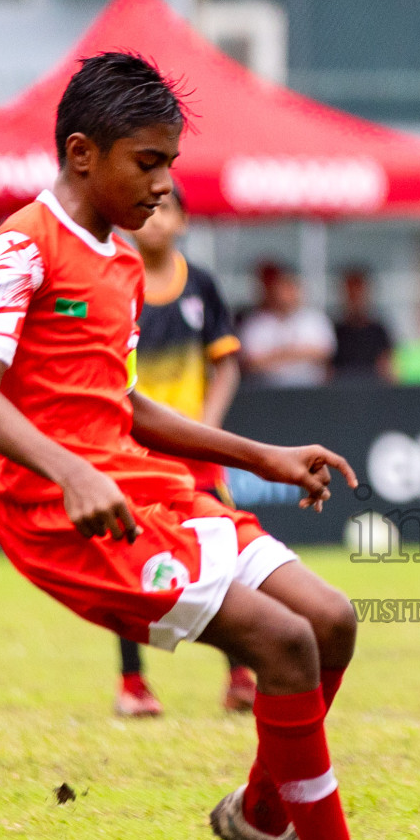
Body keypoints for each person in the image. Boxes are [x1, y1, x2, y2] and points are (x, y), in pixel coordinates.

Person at [0, 52, 420, 840]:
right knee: (280, 641)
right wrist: (73, 471)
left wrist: (261, 455)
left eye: (169, 164)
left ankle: (260, 814)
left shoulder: (119, 261)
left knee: (330, 621)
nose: (164, 186)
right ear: (82, 153)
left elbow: (120, 405)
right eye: (147, 162)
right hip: (63, 515)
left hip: (146, 489)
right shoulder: (20, 246)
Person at [115, 182, 259, 717]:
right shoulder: (116, 284)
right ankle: (132, 683)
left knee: (224, 552)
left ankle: (240, 674)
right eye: (146, 207)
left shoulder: (201, 286)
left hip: (195, 453)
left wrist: (210, 426)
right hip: (132, 450)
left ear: (183, 222)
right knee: (130, 560)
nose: (154, 217)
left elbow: (228, 364)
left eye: (166, 207)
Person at [237, 262, 335, 386]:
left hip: (310, 390)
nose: (286, 295)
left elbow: (323, 353)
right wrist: (298, 352)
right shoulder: (256, 323)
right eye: (282, 288)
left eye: (290, 288)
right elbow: (251, 362)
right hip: (267, 392)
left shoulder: (315, 319)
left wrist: (277, 355)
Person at [331, 266, 395, 382]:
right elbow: (327, 372)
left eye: (358, 293)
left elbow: (388, 368)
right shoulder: (335, 331)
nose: (355, 300)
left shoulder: (378, 331)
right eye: (351, 294)